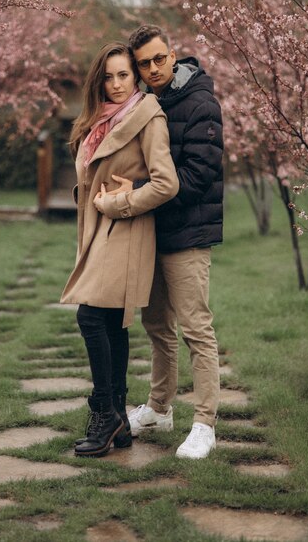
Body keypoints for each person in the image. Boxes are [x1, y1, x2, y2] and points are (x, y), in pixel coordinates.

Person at [60, 41, 179, 458]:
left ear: (137, 76)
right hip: (99, 229)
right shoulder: (100, 121)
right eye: (108, 76)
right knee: (110, 322)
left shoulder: (148, 116)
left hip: (125, 230)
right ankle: (120, 422)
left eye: (124, 75)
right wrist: (90, 193)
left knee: (90, 315)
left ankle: (105, 411)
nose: (115, 84)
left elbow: (166, 183)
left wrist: (118, 203)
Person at [113, 25, 223, 459]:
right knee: (156, 326)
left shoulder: (200, 101)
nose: (154, 68)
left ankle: (205, 424)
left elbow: (198, 177)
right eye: (145, 63)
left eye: (160, 59)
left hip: (188, 233)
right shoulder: (145, 104)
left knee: (196, 328)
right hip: (152, 232)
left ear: (173, 55)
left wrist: (140, 192)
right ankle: (160, 408)